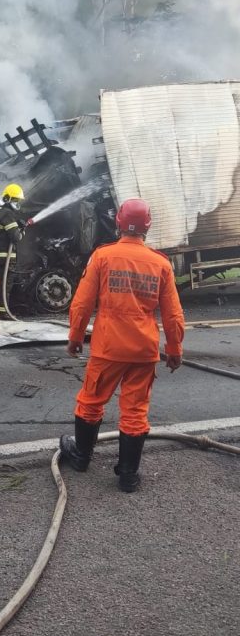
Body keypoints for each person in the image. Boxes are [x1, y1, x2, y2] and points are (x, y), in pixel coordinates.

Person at [60, 197, 185, 493]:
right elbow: (173, 315)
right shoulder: (160, 263)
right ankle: (128, 475)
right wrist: (175, 350)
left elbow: (81, 304)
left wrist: (76, 336)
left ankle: (81, 456)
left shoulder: (103, 257)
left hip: (108, 349)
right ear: (147, 227)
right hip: (143, 351)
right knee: (135, 411)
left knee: (91, 402)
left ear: (118, 222)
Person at [0, 183, 26, 318]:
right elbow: (16, 237)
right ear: (7, 198)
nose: (17, 202)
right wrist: (22, 230)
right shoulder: (8, 214)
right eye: (15, 200)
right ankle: (3, 313)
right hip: (5, 258)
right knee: (5, 286)